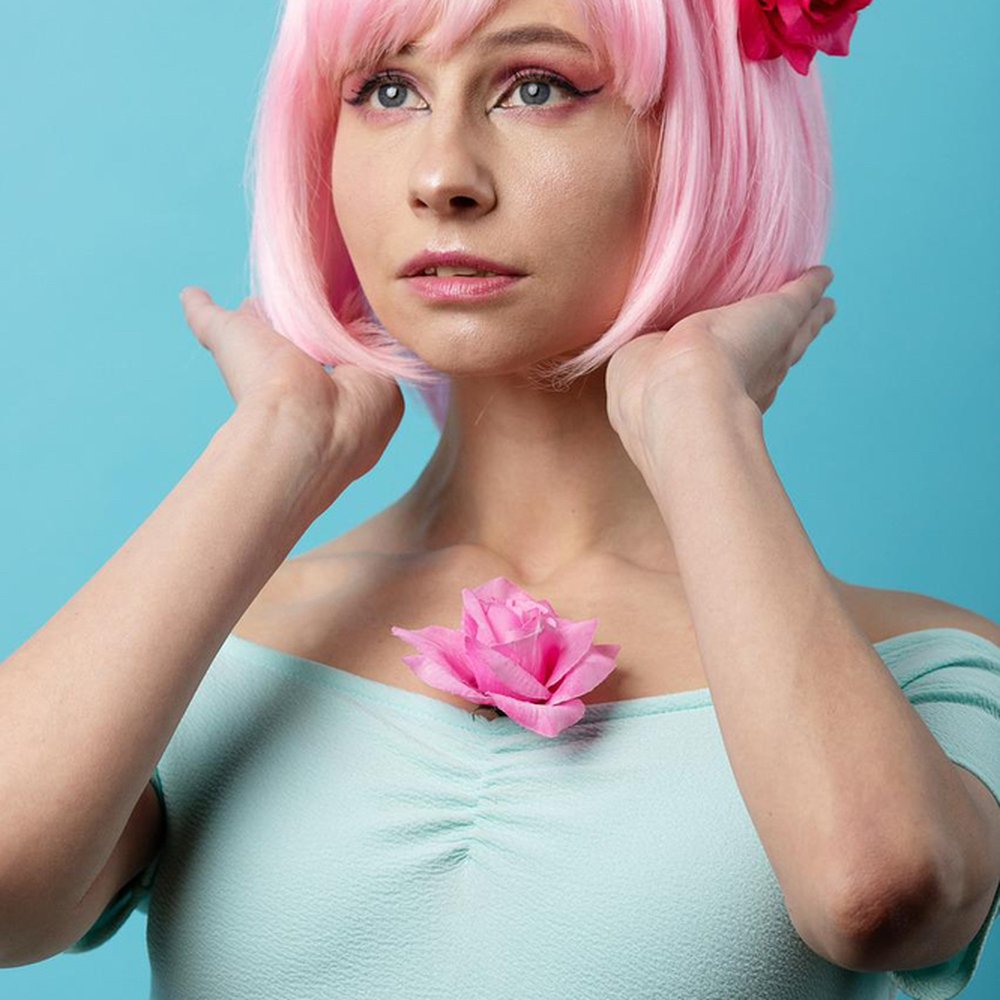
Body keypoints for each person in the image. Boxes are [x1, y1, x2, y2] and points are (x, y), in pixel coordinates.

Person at [2, 0, 998, 996]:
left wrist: (700, 420)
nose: (441, 177)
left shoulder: (929, 670)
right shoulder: (207, 648)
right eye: (387, 90)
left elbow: (880, 894)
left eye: (537, 87)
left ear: (711, 138)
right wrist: (279, 439)